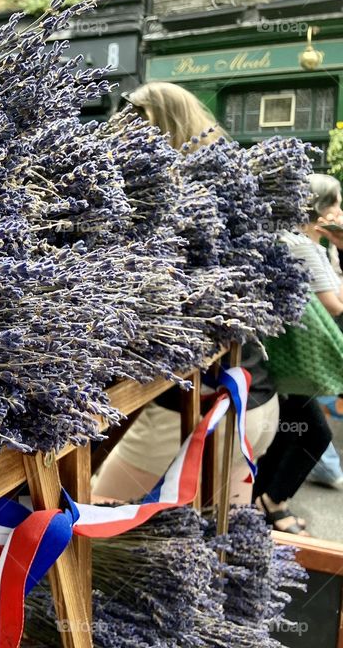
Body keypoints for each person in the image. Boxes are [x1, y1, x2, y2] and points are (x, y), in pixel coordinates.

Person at [93, 82, 280, 506]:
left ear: (151, 132)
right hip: (257, 404)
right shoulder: (233, 195)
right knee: (215, 537)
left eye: (128, 129)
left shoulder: (174, 202)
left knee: (91, 515)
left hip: (199, 412)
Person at [251, 173, 342, 533]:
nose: (339, 210)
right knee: (313, 433)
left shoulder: (290, 240)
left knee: (289, 430)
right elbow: (335, 305)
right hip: (291, 360)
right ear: (317, 208)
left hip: (273, 357)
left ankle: (262, 504)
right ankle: (274, 501)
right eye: (334, 203)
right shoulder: (302, 245)